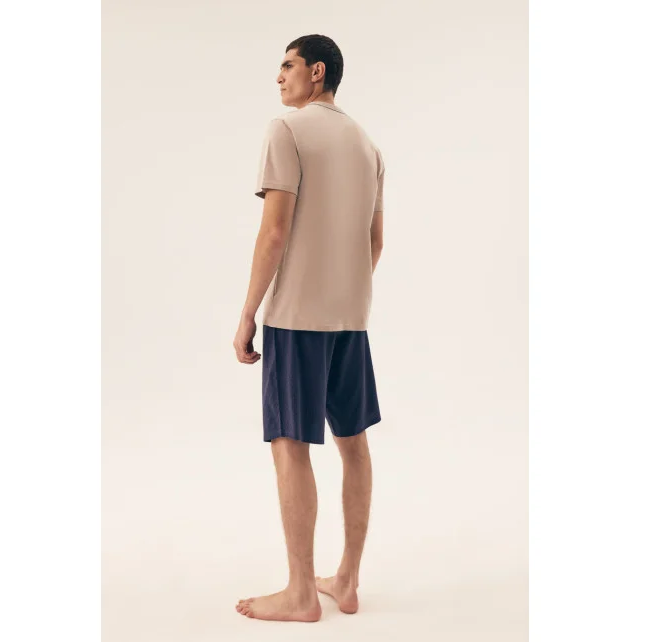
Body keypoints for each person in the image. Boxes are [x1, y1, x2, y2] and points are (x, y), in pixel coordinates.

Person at [232, 33, 385, 623]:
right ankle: (346, 580)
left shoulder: (286, 131)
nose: (279, 76)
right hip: (351, 318)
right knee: (354, 443)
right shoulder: (368, 145)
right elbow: (374, 242)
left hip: (296, 319)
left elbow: (274, 233)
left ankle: (301, 592)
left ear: (317, 72)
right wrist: (344, 292)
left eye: (288, 65)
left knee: (290, 444)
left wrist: (248, 312)